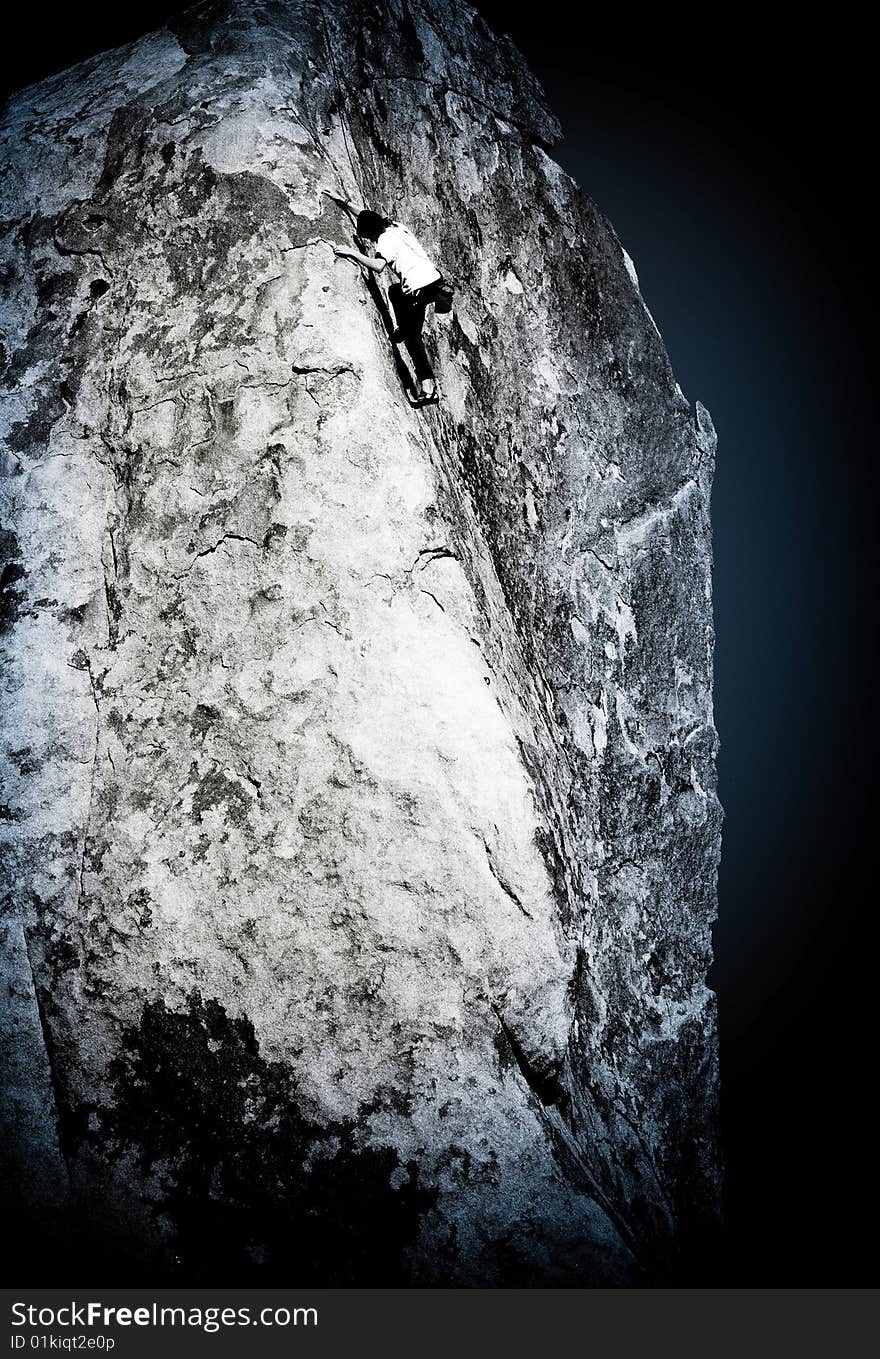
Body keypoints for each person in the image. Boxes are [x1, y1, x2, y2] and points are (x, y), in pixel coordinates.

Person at [332, 205, 449, 405]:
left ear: (371, 232)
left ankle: (429, 390)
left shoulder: (384, 241)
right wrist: (341, 200)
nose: (369, 241)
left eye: (368, 237)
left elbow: (378, 266)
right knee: (395, 292)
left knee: (413, 339)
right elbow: (365, 213)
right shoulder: (395, 227)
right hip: (434, 281)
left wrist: (352, 253)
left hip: (419, 287)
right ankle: (402, 328)